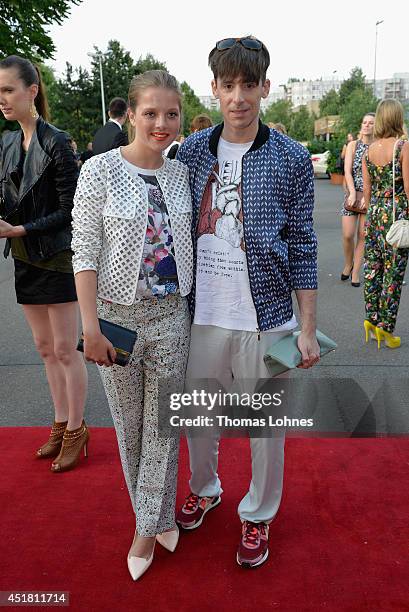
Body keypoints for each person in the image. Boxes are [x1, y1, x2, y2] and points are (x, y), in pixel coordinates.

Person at [175, 36, 319, 568]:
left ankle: (257, 515)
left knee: (264, 430)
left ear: (265, 86)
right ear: (213, 88)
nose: (238, 96)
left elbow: (304, 244)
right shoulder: (188, 155)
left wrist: (307, 328)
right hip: (202, 316)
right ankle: (206, 488)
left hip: (268, 318)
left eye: (248, 84)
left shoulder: (291, 157)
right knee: (199, 419)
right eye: (227, 85)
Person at [72, 70, 193, 581]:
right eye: (151, 113)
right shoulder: (99, 170)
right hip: (115, 323)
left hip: (170, 318)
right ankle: (159, 514)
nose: (161, 124)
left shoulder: (181, 175)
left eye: (171, 114)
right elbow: (83, 250)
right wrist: (90, 327)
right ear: (131, 115)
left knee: (165, 426)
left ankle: (144, 528)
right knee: (130, 430)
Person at [0, 55, 88, 471]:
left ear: (31, 91)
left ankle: (76, 429)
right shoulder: (5, 142)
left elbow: (72, 210)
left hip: (57, 258)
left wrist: (21, 230)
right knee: (43, 348)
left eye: (8, 90)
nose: (2, 99)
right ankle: (58, 423)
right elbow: (8, 198)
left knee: (67, 350)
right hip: (24, 258)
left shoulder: (58, 141)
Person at [362, 99, 409, 348]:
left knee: (373, 268)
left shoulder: (368, 150)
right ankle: (386, 330)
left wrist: (372, 217)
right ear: (397, 118)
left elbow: (366, 192)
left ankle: (371, 321)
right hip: (396, 215)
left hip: (374, 214)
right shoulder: (403, 147)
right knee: (393, 272)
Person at [341, 113, 375, 287]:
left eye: (370, 123)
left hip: (369, 196)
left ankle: (355, 273)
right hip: (352, 194)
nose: (366, 125)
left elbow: (376, 176)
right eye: (364, 122)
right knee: (348, 235)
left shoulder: (376, 147)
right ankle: (349, 263)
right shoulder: (353, 145)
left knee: (362, 235)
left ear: (376, 126)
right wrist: (353, 193)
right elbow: (347, 171)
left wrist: (367, 197)